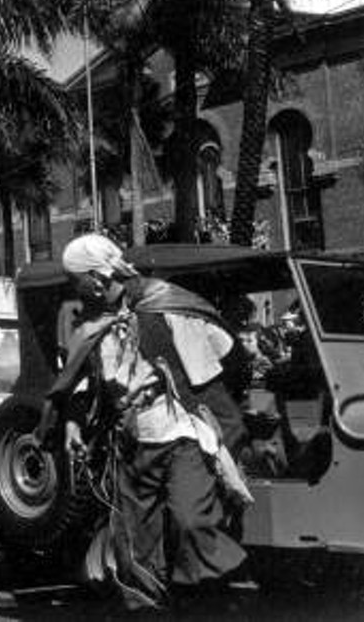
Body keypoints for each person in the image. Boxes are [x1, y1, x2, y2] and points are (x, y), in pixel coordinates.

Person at [45, 233, 248, 611]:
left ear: (97, 277)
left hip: (184, 436)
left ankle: (209, 604)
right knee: (135, 541)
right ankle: (148, 610)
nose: (74, 289)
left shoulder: (167, 306)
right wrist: (73, 422)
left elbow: (220, 374)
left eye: (76, 280)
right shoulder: (92, 325)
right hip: (133, 442)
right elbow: (84, 380)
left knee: (191, 523)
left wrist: (224, 434)